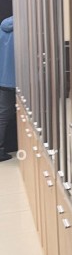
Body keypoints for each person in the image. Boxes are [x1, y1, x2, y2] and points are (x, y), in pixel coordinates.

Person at [0, 16, 14, 162]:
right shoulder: (26, 27)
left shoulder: (3, 27)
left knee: (2, 117)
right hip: (24, 80)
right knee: (32, 117)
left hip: (4, 78)